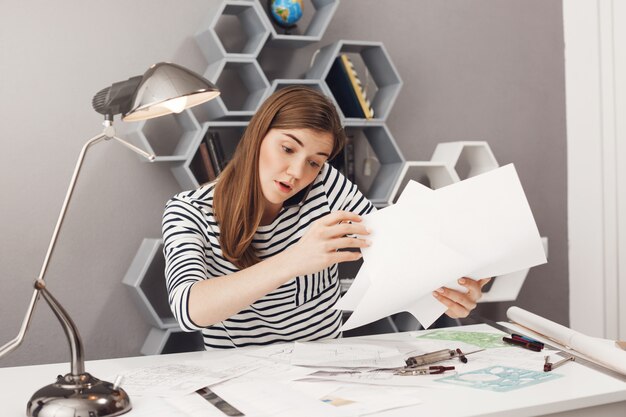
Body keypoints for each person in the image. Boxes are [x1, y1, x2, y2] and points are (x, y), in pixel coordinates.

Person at [162, 86, 490, 349]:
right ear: (257, 136)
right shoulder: (189, 211)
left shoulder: (325, 185)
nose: (296, 173)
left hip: (326, 369)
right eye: (288, 149)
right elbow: (189, 309)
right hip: (242, 378)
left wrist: (446, 292)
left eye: (314, 161)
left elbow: (392, 254)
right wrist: (295, 259)